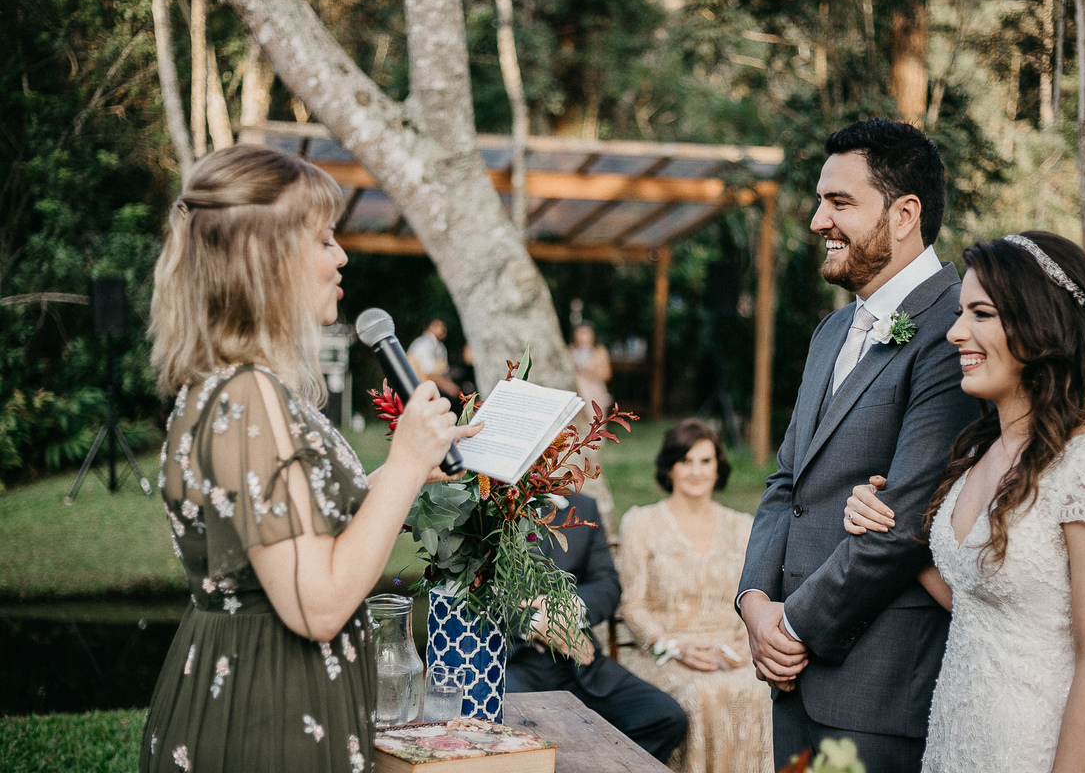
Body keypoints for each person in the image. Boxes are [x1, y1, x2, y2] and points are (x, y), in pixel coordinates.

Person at [141, 145, 478, 773]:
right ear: (268, 260)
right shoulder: (248, 394)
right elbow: (317, 604)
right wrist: (403, 464)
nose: (341, 255)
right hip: (267, 713)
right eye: (324, 240)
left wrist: (397, 478)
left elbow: (282, 534)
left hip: (254, 688)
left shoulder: (226, 386)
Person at [844, 232, 1085, 772]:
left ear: (1039, 326)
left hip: (1036, 748)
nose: (956, 332)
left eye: (980, 314)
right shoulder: (981, 454)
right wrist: (883, 520)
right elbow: (980, 604)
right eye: (961, 312)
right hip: (957, 738)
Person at [736, 118, 979, 772]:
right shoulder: (830, 332)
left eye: (839, 202)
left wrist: (794, 629)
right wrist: (755, 604)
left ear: (905, 214)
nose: (817, 220)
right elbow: (786, 485)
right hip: (791, 675)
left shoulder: (958, 332)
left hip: (878, 685)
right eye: (820, 201)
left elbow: (905, 522)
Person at [619, 419, 773, 773]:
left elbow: (758, 597)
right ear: (669, 467)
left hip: (734, 652)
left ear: (718, 467)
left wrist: (744, 644)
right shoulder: (641, 523)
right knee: (702, 695)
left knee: (762, 690)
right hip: (668, 654)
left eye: (705, 461)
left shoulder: (743, 526)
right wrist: (674, 646)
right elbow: (633, 604)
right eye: (685, 460)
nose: (695, 471)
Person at [506, 491, 689, 763]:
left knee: (664, 717)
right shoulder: (487, 504)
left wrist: (569, 609)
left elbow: (606, 584)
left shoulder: (583, 506)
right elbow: (467, 592)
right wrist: (539, 623)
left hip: (579, 661)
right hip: (508, 662)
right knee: (526, 735)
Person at [408, 318, 461, 402]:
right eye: (437, 325)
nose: (442, 329)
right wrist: (448, 387)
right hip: (421, 387)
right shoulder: (423, 343)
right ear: (429, 328)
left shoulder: (439, 346)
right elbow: (428, 373)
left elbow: (443, 370)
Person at [570, 322, 612, 413]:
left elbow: (606, 374)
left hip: (594, 392)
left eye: (585, 333)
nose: (582, 336)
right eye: (579, 333)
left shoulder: (599, 351)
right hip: (575, 392)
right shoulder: (571, 350)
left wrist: (586, 370)